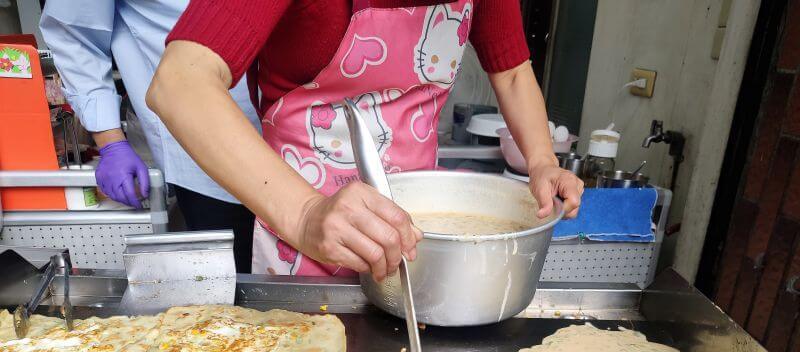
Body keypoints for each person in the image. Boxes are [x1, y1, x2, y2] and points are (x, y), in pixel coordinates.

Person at [147, 0, 583, 280]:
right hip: (302, 232)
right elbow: (180, 82)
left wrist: (541, 160)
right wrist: (306, 215)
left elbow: (511, 72)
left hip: (415, 233)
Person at [39, 1, 262, 273]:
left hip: (297, 140)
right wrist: (110, 141)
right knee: (235, 281)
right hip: (205, 155)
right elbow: (73, 33)